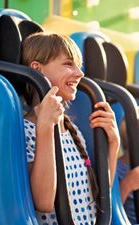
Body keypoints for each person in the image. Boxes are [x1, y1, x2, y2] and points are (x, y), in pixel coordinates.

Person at [21, 32, 120, 225]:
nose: (80, 73)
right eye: (68, 64)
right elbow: (44, 202)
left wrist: (113, 143)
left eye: (78, 66)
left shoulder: (71, 129)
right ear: (37, 70)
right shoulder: (26, 131)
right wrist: (45, 128)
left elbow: (98, 191)